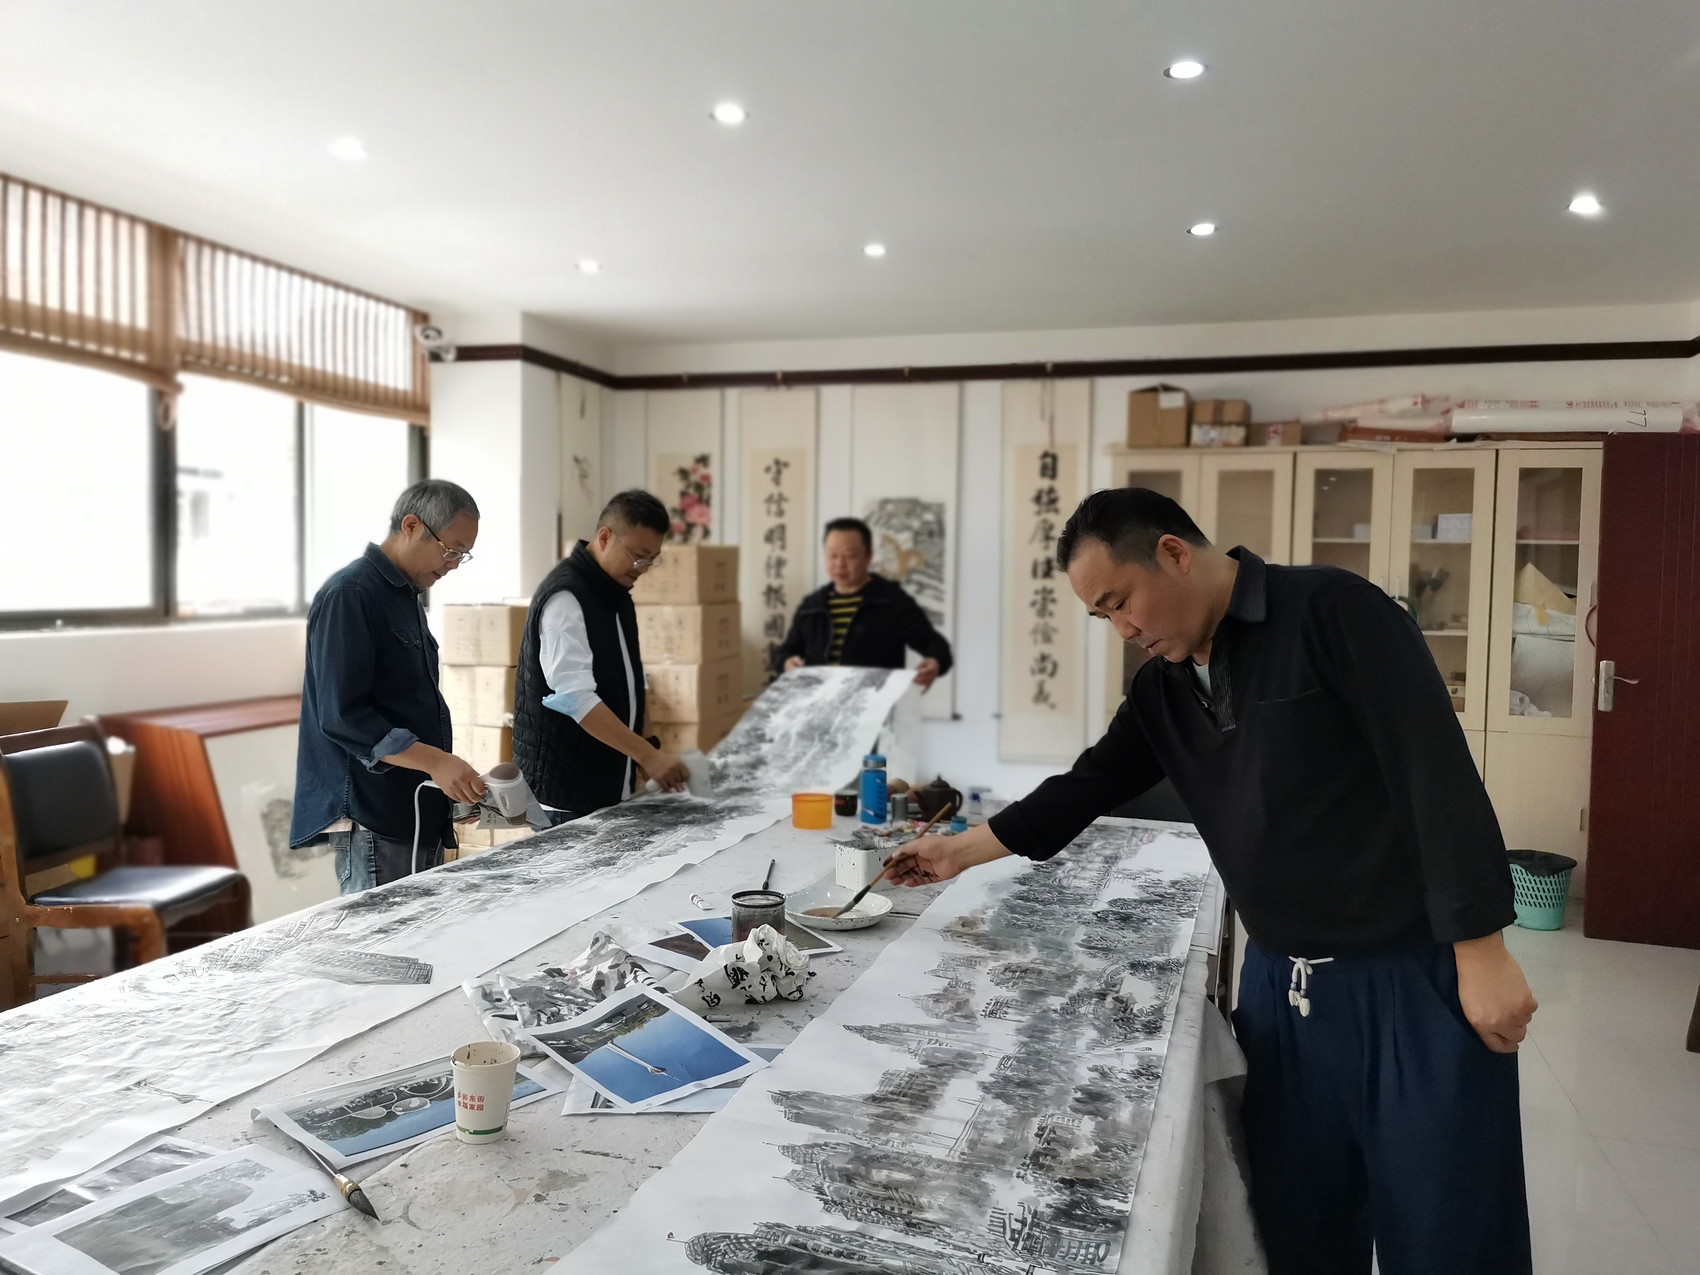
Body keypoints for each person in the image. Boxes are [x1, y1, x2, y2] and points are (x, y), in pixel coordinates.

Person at [885, 487, 1536, 1275]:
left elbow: (1432, 769)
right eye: (1103, 616)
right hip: (1282, 991)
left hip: (1409, 979)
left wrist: (1481, 949)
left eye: (1121, 602)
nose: (1124, 629)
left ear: (1173, 552)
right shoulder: (1161, 688)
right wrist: (960, 850)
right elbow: (1088, 784)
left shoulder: (1333, 611)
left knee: (1448, 1228)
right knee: (1297, 1229)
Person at [291, 479, 487, 893]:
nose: (453, 564)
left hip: (412, 810)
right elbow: (342, 715)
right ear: (411, 526)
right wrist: (436, 761)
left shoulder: (405, 597)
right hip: (374, 815)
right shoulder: (350, 594)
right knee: (386, 934)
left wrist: (448, 785)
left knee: (427, 928)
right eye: (450, 550)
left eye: (462, 555)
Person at [512, 490, 691, 821]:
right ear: (606, 537)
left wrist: (650, 746)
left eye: (651, 559)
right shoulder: (566, 597)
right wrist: (646, 755)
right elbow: (575, 698)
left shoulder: (617, 594)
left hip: (608, 786)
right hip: (566, 797)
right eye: (638, 556)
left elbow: (632, 679)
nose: (643, 568)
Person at [773, 516, 953, 689]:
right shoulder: (812, 606)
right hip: (820, 705)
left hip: (873, 705)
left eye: (850, 556)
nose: (840, 564)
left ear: (868, 557)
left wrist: (936, 661)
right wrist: (786, 662)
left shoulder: (890, 600)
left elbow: (933, 643)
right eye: (832, 555)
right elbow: (786, 651)